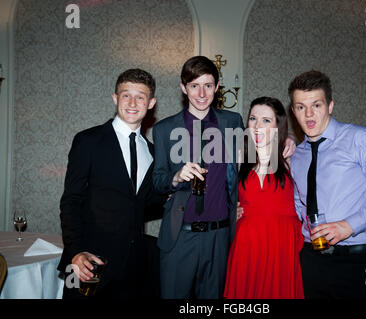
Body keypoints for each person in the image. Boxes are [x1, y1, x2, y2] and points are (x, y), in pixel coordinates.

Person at [153, 56, 295, 299]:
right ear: (183, 87)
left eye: (208, 85)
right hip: (180, 238)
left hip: (220, 238)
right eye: (194, 85)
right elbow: (157, 180)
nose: (201, 93)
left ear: (217, 88)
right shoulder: (164, 129)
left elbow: (260, 144)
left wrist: (287, 140)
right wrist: (176, 177)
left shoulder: (232, 122)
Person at [289, 70, 366, 299]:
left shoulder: (360, 138)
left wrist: (348, 225)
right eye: (301, 107)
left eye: (317, 105)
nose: (309, 114)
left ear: (330, 105)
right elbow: (297, 204)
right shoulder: (297, 155)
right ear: (293, 111)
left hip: (363, 261)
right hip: (313, 262)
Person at [58, 69, 166, 299]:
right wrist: (75, 252)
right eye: (126, 95)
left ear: (151, 103)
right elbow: (71, 201)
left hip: (132, 268)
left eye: (141, 96)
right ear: (115, 98)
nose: (133, 102)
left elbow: (144, 203)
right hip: (87, 263)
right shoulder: (88, 140)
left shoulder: (153, 152)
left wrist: (180, 192)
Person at [223, 97, 304, 299]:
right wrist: (229, 211)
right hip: (247, 243)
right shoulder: (238, 156)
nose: (257, 126)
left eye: (266, 120)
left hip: (282, 243)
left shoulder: (292, 157)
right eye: (253, 118)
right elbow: (219, 193)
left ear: (278, 125)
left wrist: (291, 138)